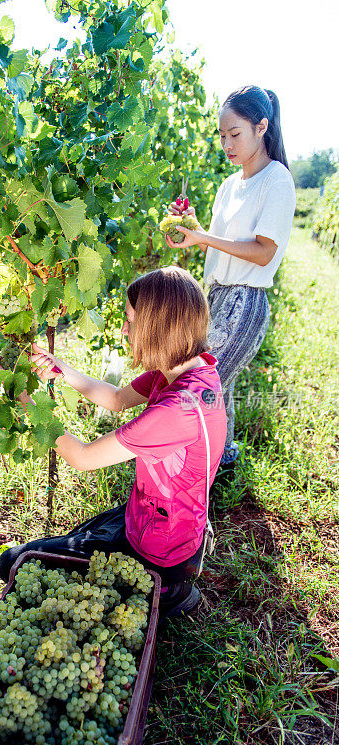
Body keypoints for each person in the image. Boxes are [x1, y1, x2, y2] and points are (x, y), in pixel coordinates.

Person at [0, 267, 227, 618]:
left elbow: (82, 457)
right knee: (77, 538)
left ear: (157, 326)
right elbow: (117, 399)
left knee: (15, 563)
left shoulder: (174, 413)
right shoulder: (189, 371)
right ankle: (166, 583)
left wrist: (29, 403)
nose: (124, 329)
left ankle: (167, 591)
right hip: (163, 520)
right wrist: (59, 367)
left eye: (130, 321)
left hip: (159, 549)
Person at [165, 85, 296, 475]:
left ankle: (196, 468)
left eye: (234, 134)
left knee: (200, 383)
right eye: (221, 135)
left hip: (245, 303)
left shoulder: (277, 180)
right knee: (219, 388)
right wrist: (190, 229)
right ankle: (221, 462)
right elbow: (219, 247)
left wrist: (204, 236)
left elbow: (262, 251)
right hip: (217, 296)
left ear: (261, 128)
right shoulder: (228, 186)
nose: (226, 143)